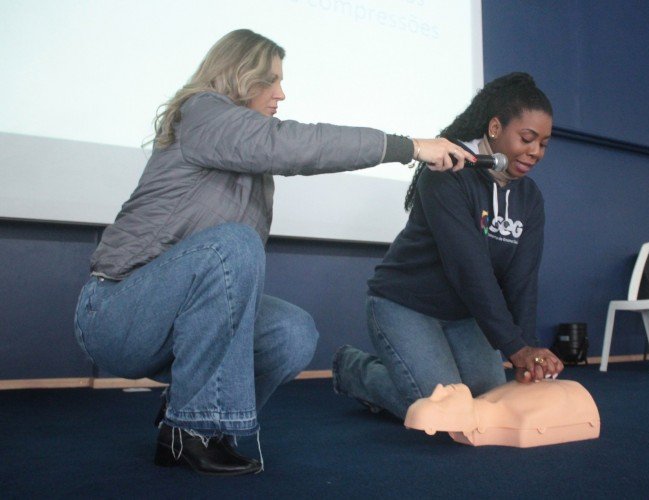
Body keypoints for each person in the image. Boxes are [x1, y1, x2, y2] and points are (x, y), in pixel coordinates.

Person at [72, 28, 474, 476]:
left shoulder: (251, 169)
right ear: (240, 76)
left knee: (291, 332)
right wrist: (411, 147)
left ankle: (187, 424)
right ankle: (195, 429)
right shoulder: (202, 113)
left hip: (172, 323)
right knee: (234, 243)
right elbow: (298, 145)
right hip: (117, 313)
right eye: (272, 80)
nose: (282, 94)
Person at [332, 72, 565, 420]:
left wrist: (527, 346)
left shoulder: (529, 198)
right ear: (496, 128)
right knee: (449, 414)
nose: (535, 152)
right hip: (407, 306)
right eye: (527, 138)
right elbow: (468, 268)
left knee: (488, 403)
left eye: (543, 144)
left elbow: (522, 280)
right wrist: (514, 348)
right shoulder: (447, 172)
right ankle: (357, 372)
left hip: (463, 316)